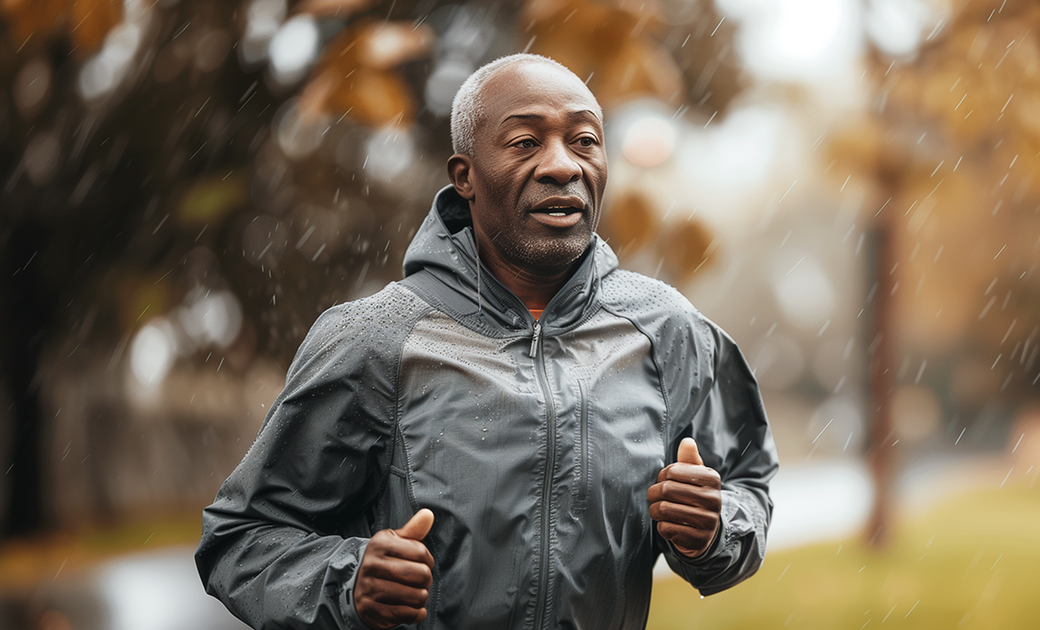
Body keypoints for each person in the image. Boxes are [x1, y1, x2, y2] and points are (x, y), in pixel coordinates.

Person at [196, 53, 777, 630]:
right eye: (525, 142)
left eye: (584, 140)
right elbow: (241, 539)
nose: (562, 166)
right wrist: (349, 582)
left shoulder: (668, 330)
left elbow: (747, 486)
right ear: (464, 176)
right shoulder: (375, 339)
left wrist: (713, 530)